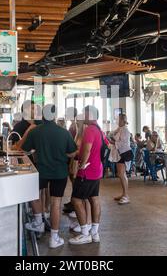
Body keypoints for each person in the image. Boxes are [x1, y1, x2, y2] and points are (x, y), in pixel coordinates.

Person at [22, 104, 77, 249]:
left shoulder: (35, 131)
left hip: (41, 171)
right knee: (56, 204)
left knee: (33, 194)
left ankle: (38, 221)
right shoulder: (63, 132)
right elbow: (72, 153)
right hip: (59, 173)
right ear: (53, 115)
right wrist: (61, 154)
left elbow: (25, 149)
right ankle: (54, 238)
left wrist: (38, 150)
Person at [69, 105, 108, 245]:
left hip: (87, 171)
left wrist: (81, 163)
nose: (82, 116)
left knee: (76, 200)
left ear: (90, 114)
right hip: (97, 170)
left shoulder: (90, 130)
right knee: (94, 198)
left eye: (84, 113)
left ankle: (85, 233)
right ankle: (95, 233)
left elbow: (87, 150)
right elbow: (105, 147)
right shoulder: (100, 130)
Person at [111, 114, 133, 205]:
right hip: (120, 153)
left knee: (122, 174)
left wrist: (112, 141)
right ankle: (124, 194)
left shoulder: (125, 130)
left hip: (124, 153)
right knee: (120, 174)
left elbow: (123, 143)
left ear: (123, 120)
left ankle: (126, 196)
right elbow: (113, 136)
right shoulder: (119, 129)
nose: (117, 121)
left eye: (119, 119)